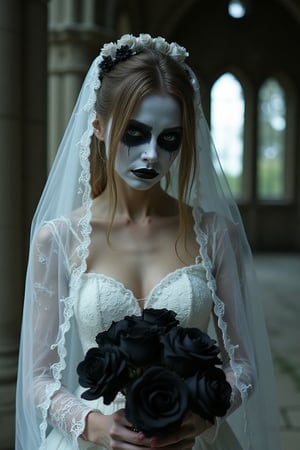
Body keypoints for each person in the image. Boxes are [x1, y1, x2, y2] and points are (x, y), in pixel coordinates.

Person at [15, 33, 281, 450]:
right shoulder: (59, 239)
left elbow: (243, 366)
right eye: (135, 133)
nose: (152, 155)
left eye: (169, 138)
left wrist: (199, 415)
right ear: (100, 129)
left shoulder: (215, 235)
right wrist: (93, 424)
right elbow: (37, 378)